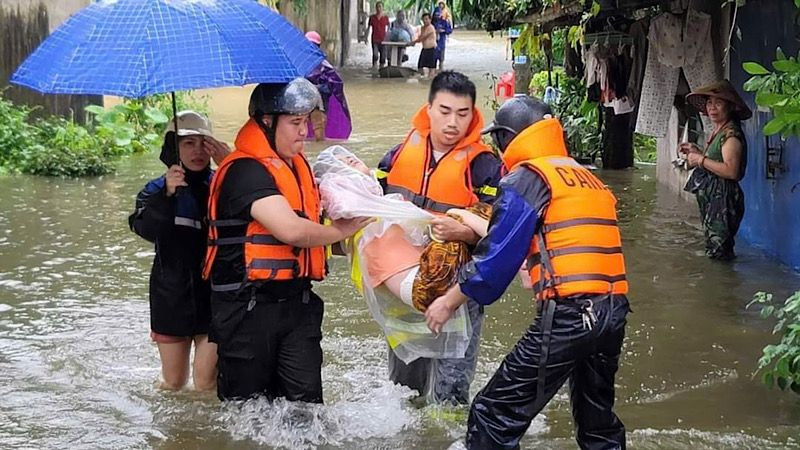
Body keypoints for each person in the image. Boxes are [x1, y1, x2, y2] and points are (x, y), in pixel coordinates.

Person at [424, 95, 630, 449]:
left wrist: (448, 301)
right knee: (598, 424)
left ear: (507, 138)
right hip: (612, 312)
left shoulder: (528, 177)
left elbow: (494, 262)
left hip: (569, 315)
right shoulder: (583, 176)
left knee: (491, 415)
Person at [202, 79, 370, 402]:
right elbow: (291, 231)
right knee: (249, 415)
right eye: (295, 122)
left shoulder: (298, 168)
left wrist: (360, 227)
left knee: (307, 411)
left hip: (296, 306)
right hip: (247, 311)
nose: (304, 131)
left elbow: (311, 237)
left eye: (306, 121)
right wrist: (341, 230)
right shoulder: (244, 172)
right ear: (266, 122)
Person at [375, 71, 504, 405]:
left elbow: (502, 234)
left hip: (459, 288)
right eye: (445, 111)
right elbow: (370, 205)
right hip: (404, 282)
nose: (453, 122)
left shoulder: (485, 166)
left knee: (451, 391)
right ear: (429, 109)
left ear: (473, 115)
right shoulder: (398, 154)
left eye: (463, 114)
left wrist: (463, 232)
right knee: (404, 389)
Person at [129, 110, 230, 391]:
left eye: (203, 142)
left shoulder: (224, 184)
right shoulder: (155, 190)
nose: (197, 151)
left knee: (205, 380)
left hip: (216, 296)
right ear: (174, 148)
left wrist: (232, 167)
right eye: (188, 143)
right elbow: (144, 229)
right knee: (174, 383)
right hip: (171, 296)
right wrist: (167, 197)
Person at [681, 79, 751, 260]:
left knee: (719, 253)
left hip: (724, 199)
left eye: (718, 103)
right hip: (714, 198)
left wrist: (700, 160)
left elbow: (731, 171)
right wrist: (697, 152)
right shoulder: (719, 130)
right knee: (714, 248)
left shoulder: (731, 134)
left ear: (730, 107)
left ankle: (723, 285)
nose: (712, 107)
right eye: (709, 103)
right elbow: (717, 160)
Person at [304, 30, 352, 140]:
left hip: (308, 106)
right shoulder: (324, 65)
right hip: (316, 106)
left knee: (311, 133)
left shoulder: (299, 64)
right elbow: (336, 84)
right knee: (318, 135)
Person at [412, 13, 438, 78]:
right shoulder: (422, 28)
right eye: (423, 19)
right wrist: (414, 41)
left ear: (430, 20)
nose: (425, 21)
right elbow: (420, 37)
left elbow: (423, 37)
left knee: (432, 68)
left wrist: (413, 42)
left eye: (426, 19)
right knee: (420, 66)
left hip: (432, 49)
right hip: (425, 49)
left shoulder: (431, 28)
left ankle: (430, 80)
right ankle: (423, 79)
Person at [367, 1, 389, 69]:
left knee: (383, 57)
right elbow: (368, 28)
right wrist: (365, 37)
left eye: (380, 7)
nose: (379, 8)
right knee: (375, 55)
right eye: (377, 7)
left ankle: (381, 70)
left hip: (383, 40)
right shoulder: (372, 18)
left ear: (382, 8)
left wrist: (388, 36)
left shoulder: (385, 18)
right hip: (375, 39)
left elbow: (389, 27)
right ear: (375, 8)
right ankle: (374, 68)